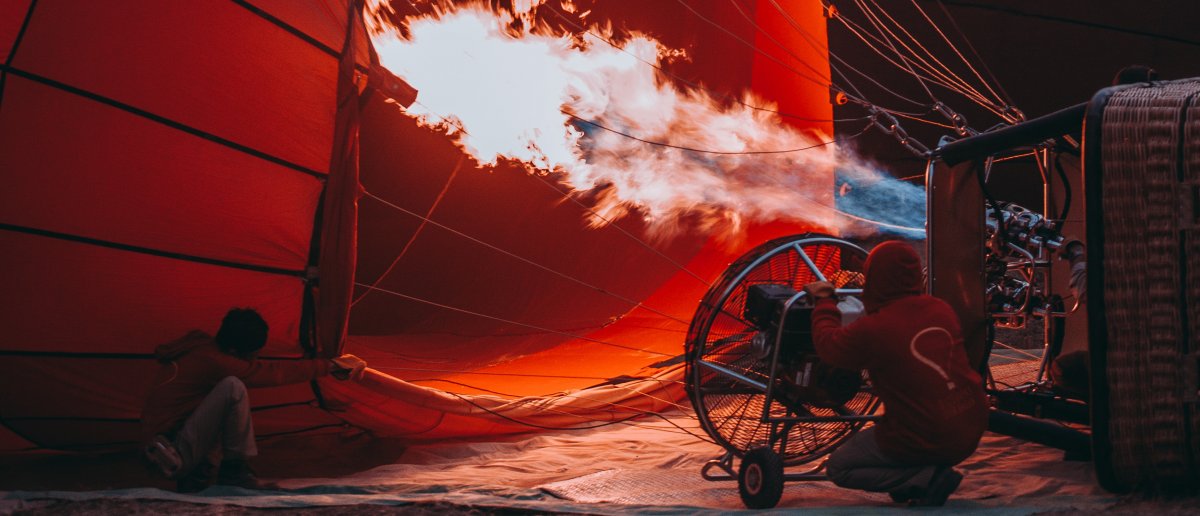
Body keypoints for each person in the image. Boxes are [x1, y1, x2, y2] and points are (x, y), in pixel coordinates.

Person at [803, 240, 988, 506]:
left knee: (839, 467)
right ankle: (919, 476)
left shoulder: (874, 330)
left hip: (923, 435)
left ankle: (926, 479)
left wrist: (824, 302)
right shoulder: (941, 309)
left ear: (874, 278)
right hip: (971, 424)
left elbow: (829, 347)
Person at [141, 307, 367, 492]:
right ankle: (235, 471)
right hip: (170, 456)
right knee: (233, 387)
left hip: (171, 444)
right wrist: (330, 365)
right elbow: (272, 372)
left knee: (223, 399)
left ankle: (204, 474)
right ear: (233, 349)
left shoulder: (203, 349)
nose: (254, 359)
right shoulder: (214, 361)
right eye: (252, 355)